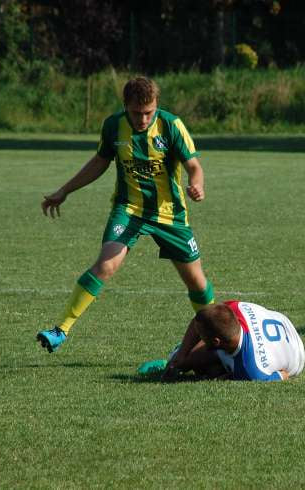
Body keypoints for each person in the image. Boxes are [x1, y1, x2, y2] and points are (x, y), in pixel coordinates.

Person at [37, 76, 215, 352]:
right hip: (129, 210)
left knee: (196, 281)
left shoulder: (170, 125)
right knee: (106, 265)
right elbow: (99, 162)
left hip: (170, 215)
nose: (143, 119)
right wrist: (65, 190)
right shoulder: (113, 126)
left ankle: (212, 339)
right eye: (136, 113)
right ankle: (61, 329)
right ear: (125, 106)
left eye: (149, 113)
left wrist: (197, 184)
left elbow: (194, 165)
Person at [142, 301, 305, 382]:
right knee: (189, 359)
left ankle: (207, 366)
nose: (198, 335)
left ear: (216, 341)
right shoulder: (234, 308)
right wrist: (182, 355)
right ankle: (179, 359)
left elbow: (284, 374)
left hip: (297, 356)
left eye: (202, 336)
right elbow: (200, 319)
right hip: (281, 322)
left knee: (202, 364)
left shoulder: (251, 370)